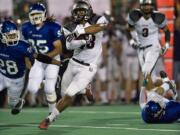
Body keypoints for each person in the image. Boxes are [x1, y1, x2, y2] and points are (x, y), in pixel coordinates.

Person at [38, 0, 108, 129]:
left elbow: (99, 27)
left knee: (70, 95)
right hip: (73, 62)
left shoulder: (98, 19)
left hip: (89, 67)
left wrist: (79, 33)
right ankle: (84, 88)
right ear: (73, 13)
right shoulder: (68, 26)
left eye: (83, 10)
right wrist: (81, 41)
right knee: (64, 94)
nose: (80, 13)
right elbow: (69, 45)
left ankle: (49, 119)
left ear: (89, 11)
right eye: (77, 11)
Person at [0, 20, 61, 115]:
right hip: (2, 75)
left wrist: (57, 62)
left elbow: (39, 57)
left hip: (17, 78)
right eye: (9, 36)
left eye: (14, 35)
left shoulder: (23, 47)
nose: (13, 38)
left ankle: (44, 83)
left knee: (12, 104)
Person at [21, 3, 63, 114]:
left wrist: (45, 57)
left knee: (49, 89)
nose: (35, 17)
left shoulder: (53, 27)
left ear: (44, 14)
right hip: (38, 60)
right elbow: (25, 47)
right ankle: (45, 82)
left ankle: (52, 113)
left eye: (38, 14)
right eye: (33, 14)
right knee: (32, 88)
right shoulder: (26, 27)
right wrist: (26, 60)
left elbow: (58, 49)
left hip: (52, 58)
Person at [127, 0, 170, 83]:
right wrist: (132, 41)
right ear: (140, 6)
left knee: (146, 71)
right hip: (141, 48)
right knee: (151, 79)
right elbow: (128, 29)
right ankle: (168, 85)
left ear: (152, 6)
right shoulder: (135, 16)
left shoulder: (157, 17)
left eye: (148, 5)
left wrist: (167, 45)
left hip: (153, 47)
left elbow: (166, 31)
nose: (146, 7)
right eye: (144, 5)